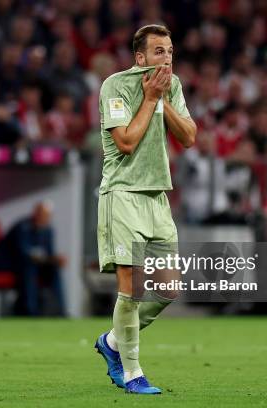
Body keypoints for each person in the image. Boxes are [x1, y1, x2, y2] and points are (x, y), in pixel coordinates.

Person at [94, 25, 197, 394]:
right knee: (133, 288)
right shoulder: (115, 86)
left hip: (157, 198)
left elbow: (188, 136)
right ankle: (133, 374)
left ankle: (111, 342)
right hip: (122, 194)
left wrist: (163, 98)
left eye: (169, 51)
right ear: (140, 57)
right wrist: (150, 98)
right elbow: (124, 142)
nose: (166, 58)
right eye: (158, 52)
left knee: (168, 290)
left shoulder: (173, 85)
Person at [3, 202, 66, 317]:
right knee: (29, 268)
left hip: (36, 265)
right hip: (14, 265)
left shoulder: (48, 230)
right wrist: (46, 258)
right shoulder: (22, 227)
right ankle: (30, 311)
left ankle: (60, 311)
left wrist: (55, 260)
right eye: (42, 215)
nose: (45, 219)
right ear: (36, 214)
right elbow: (23, 253)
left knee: (54, 269)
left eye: (47, 216)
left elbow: (48, 254)